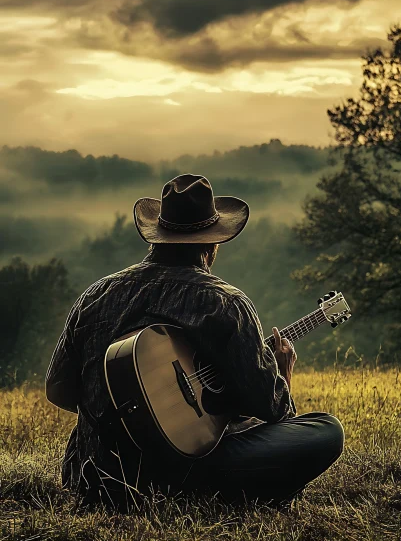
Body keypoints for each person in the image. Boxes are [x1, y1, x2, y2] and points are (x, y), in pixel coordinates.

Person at [46, 174, 344, 513]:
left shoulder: (94, 295)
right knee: (326, 430)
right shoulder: (224, 303)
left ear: (156, 238)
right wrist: (281, 370)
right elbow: (274, 410)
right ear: (213, 244)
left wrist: (145, 412)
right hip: (182, 476)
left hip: (95, 474)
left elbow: (58, 389)